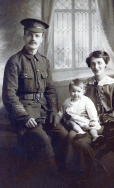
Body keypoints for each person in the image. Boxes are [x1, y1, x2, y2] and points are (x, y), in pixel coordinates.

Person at [2, 18, 68, 186]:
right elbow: (9, 95)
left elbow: (51, 90)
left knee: (63, 135)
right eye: (30, 35)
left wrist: (53, 110)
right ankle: (53, 179)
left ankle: (63, 171)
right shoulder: (14, 61)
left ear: (41, 38)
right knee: (43, 140)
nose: (33, 39)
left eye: (37, 36)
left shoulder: (44, 61)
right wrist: (23, 117)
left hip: (44, 111)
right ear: (24, 36)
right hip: (24, 114)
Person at [65, 51, 114, 184]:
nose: (96, 66)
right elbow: (78, 104)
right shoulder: (85, 85)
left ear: (105, 64)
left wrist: (99, 119)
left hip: (105, 125)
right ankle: (73, 171)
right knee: (69, 136)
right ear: (90, 66)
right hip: (84, 123)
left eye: (99, 63)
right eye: (93, 64)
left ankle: (91, 172)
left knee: (79, 142)